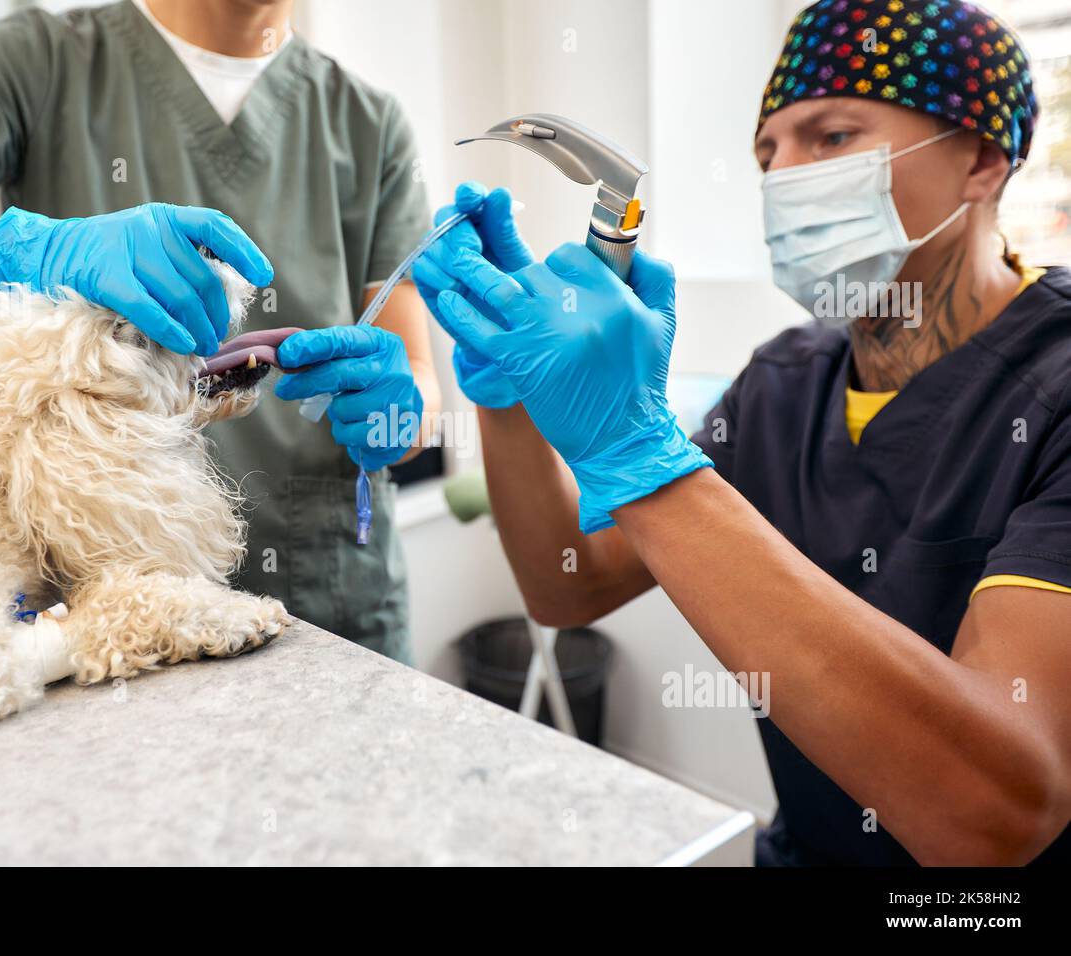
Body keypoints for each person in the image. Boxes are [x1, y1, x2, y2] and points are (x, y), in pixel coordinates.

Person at [414, 0, 1070, 865]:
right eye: (769, 154)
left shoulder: (1053, 390)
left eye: (830, 137)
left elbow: (996, 813)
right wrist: (508, 396)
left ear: (982, 157)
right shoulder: (783, 382)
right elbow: (569, 586)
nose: (783, 179)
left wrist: (638, 450)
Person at [0, 0, 439, 662]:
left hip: (339, 604)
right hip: (108, 625)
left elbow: (420, 395)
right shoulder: (35, 62)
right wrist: (36, 250)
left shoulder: (370, 124)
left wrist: (397, 415)